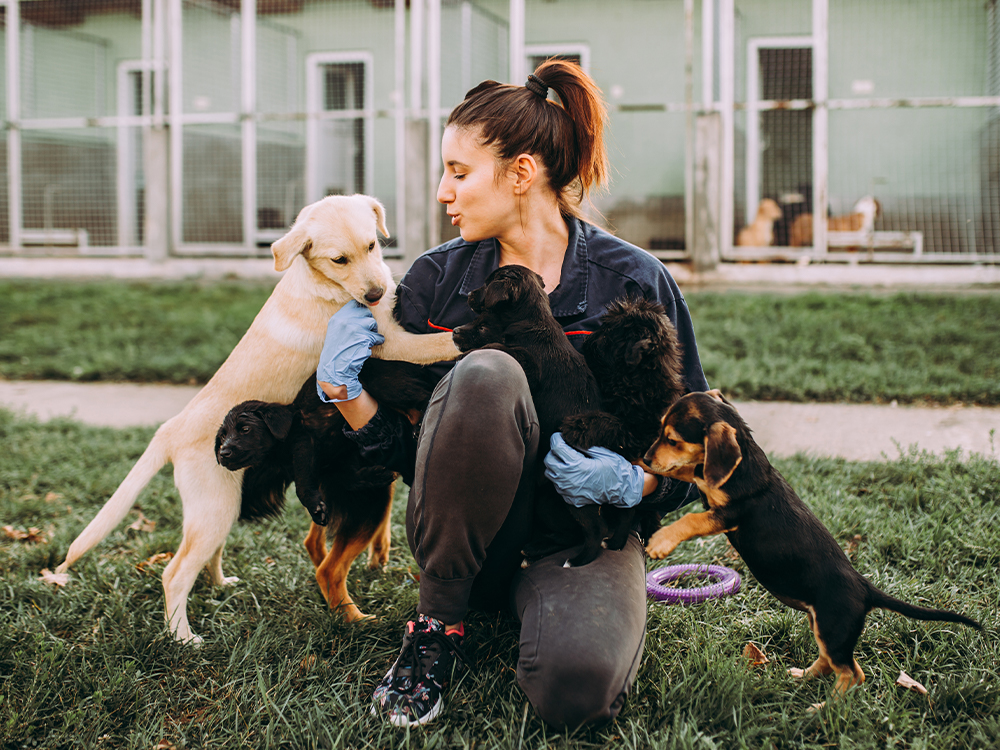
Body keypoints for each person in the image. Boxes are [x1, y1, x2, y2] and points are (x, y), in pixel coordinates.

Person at [315, 60, 709, 730]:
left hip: (577, 543)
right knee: (488, 372)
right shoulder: (436, 282)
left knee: (577, 690)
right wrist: (343, 389)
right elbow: (411, 457)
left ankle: (547, 613)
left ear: (521, 173)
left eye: (460, 172)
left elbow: (694, 445)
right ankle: (437, 625)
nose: (444, 191)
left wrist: (633, 488)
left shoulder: (634, 282)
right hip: (464, 543)